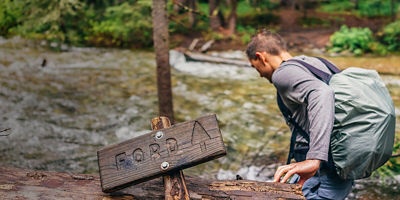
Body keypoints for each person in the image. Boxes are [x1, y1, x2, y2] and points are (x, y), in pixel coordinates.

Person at [245, 30, 353, 199]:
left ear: (261, 57)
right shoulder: (316, 63)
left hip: (323, 168)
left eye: (254, 66)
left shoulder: (283, 73)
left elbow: (322, 93)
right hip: (343, 158)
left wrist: (314, 159)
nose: (259, 74)